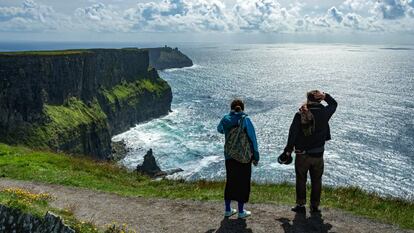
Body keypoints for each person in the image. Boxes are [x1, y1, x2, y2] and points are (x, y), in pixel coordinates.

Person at [283, 90, 337, 213]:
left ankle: (301, 205)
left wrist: (288, 150)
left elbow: (293, 134)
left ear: (308, 99)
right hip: (318, 154)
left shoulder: (300, 114)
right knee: (317, 180)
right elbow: (334, 104)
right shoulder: (324, 113)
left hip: (302, 154)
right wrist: (326, 96)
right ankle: (315, 206)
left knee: (301, 179)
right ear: (319, 99)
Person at [217, 99, 260, 219]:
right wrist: (256, 155)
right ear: (242, 108)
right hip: (244, 156)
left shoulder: (226, 119)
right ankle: (241, 211)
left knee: (230, 181)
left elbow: (219, 129)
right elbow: (253, 139)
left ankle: (227, 209)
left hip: (229, 155)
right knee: (243, 182)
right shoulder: (245, 119)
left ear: (231, 108)